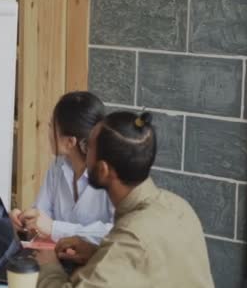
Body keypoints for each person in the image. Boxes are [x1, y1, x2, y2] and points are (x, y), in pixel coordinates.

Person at [35, 111, 214, 288]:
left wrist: (48, 266)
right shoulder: (179, 206)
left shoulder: (132, 236)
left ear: (103, 170)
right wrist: (96, 254)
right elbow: (148, 268)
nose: (83, 153)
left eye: (88, 147)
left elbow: (133, 251)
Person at [10, 92, 114, 244]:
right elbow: (41, 214)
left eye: (52, 125)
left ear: (70, 142)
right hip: (59, 258)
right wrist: (23, 222)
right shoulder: (57, 166)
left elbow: (116, 232)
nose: (48, 131)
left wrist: (55, 228)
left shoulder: (111, 174)